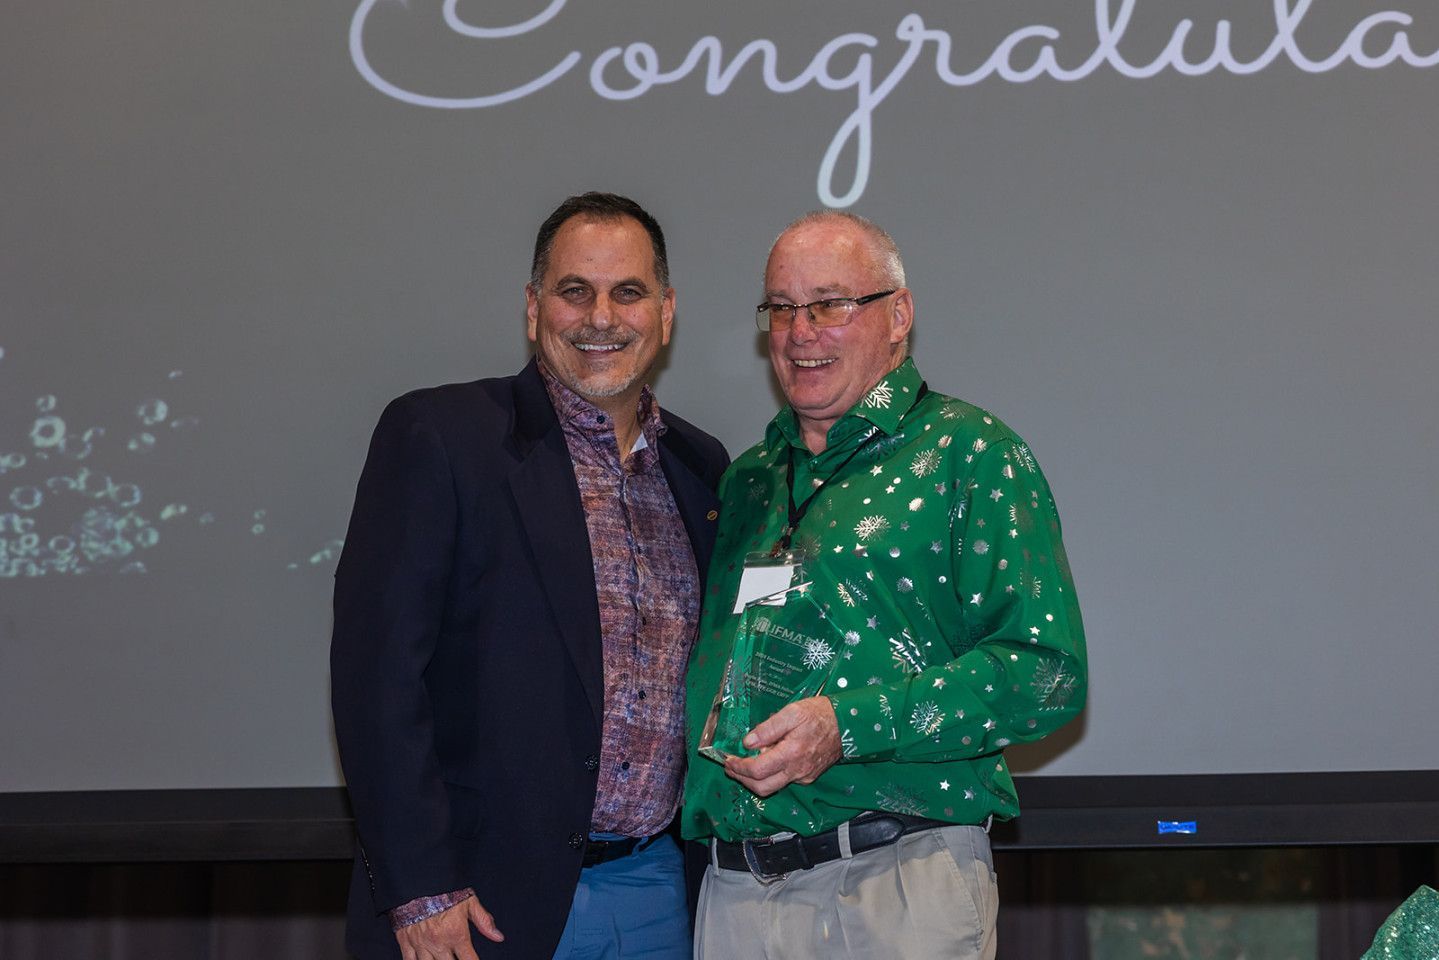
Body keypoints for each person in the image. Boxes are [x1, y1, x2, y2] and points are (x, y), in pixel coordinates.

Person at [331, 192, 728, 960]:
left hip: (662, 895)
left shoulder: (700, 466)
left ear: (666, 312)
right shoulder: (442, 437)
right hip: (480, 905)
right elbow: (377, 676)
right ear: (533, 305)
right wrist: (419, 888)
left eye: (629, 292)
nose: (600, 317)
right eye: (574, 290)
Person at [682, 211, 1087, 959]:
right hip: (734, 890)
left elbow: (1046, 675)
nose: (801, 331)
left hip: (893, 882)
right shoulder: (747, 481)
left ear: (897, 316)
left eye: (831, 303)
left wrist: (846, 725)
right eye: (781, 307)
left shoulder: (971, 451)